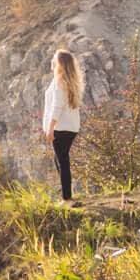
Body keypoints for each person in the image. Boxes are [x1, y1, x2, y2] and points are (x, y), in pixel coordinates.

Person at [42, 48, 82, 200]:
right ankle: (67, 196)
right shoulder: (68, 81)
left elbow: (57, 106)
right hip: (70, 127)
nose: (52, 61)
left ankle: (67, 198)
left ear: (59, 64)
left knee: (62, 161)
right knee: (60, 160)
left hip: (61, 128)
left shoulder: (60, 82)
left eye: (54, 59)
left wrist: (50, 128)